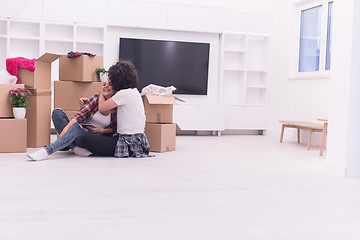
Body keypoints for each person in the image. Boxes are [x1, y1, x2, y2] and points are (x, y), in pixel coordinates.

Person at [76, 60, 151, 158]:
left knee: (86, 139)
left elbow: (102, 107)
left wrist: (101, 93)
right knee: (94, 138)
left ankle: (81, 149)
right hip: (138, 140)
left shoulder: (123, 94)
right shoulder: (134, 92)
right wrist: (90, 100)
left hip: (128, 142)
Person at [26, 80, 117, 161]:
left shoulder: (116, 106)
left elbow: (114, 128)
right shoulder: (95, 98)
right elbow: (78, 117)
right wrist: (64, 132)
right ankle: (72, 146)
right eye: (104, 84)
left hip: (92, 139)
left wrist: (102, 130)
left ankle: (49, 150)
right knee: (57, 112)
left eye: (110, 84)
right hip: (79, 131)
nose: (106, 86)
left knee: (75, 127)